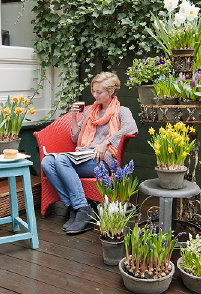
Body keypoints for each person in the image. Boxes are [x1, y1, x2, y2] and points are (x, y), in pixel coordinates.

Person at [41, 72, 138, 235]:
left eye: (99, 92)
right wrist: (74, 117)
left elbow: (131, 128)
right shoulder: (90, 112)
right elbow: (75, 138)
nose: (95, 95)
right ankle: (76, 207)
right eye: (93, 91)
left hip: (100, 160)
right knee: (47, 162)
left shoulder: (122, 111)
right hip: (82, 156)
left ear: (111, 91)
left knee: (61, 161)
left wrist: (105, 143)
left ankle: (82, 210)